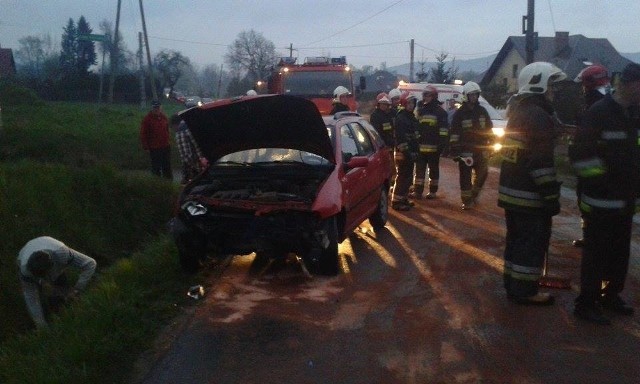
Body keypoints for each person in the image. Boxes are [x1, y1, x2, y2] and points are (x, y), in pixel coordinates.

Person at [569, 62, 640, 324]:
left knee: (620, 252)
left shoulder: (634, 114)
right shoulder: (599, 113)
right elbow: (580, 156)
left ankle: (611, 295)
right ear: (629, 85)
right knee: (597, 253)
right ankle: (586, 302)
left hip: (626, 200)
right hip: (600, 200)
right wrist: (603, 186)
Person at [498, 62, 566, 306]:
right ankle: (525, 291)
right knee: (531, 243)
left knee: (516, 241)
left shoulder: (519, 113)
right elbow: (541, 163)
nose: (554, 91)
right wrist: (550, 196)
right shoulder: (538, 117)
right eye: (551, 86)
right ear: (539, 84)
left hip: (513, 193)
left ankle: (513, 284)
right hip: (530, 195)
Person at [570, 64, 611, 248]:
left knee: (588, 203)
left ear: (589, 84)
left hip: (591, 165)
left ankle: (591, 238)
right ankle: (599, 238)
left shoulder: (593, 104)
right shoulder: (611, 102)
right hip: (607, 165)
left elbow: (585, 136)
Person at [17, 236, 97, 328]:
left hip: (52, 246)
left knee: (62, 296)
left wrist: (77, 289)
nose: (46, 279)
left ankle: (71, 314)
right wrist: (41, 325)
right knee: (51, 298)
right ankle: (56, 319)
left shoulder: (61, 253)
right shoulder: (25, 271)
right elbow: (31, 298)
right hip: (24, 254)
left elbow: (90, 263)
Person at [449, 81, 494, 210]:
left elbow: (489, 129)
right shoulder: (460, 113)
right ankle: (467, 200)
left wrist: (491, 144)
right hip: (465, 151)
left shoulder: (482, 111)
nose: (474, 97)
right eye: (472, 95)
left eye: (476, 94)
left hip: (481, 150)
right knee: (465, 177)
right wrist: (455, 151)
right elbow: (455, 133)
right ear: (466, 96)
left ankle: (474, 194)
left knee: (483, 174)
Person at [412, 86, 449, 199]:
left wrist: (441, 145)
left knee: (433, 171)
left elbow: (444, 131)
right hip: (421, 148)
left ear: (434, 96)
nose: (425, 98)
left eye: (428, 95)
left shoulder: (441, 112)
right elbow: (416, 127)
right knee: (419, 171)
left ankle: (432, 192)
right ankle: (418, 192)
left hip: (434, 148)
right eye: (424, 95)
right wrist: (416, 140)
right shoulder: (421, 111)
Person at [391, 92, 419, 211]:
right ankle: (396, 201)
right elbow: (401, 139)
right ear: (404, 103)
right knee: (402, 177)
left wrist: (416, 151)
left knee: (408, 177)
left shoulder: (411, 117)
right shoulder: (401, 118)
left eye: (413, 103)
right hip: (403, 153)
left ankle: (403, 198)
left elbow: (414, 136)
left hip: (410, 152)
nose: (411, 105)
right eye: (409, 103)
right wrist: (408, 153)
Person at [170, 114, 209, 184]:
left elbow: (194, 144)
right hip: (191, 161)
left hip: (191, 161)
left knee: (195, 181)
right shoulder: (185, 129)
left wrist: (201, 158)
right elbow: (195, 144)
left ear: (174, 124)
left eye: (172, 127)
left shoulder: (184, 130)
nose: (173, 129)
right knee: (196, 180)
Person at [140, 100, 172, 179]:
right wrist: (146, 147)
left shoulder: (164, 117)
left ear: (161, 108)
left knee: (167, 166)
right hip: (154, 148)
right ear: (152, 108)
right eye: (155, 108)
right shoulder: (147, 119)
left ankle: (168, 184)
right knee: (156, 167)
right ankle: (156, 185)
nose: (157, 110)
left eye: (158, 108)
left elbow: (167, 129)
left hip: (166, 146)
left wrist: (168, 140)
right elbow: (143, 134)